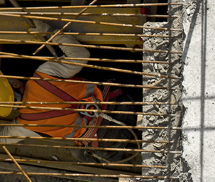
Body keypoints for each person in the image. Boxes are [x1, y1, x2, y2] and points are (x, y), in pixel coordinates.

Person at [0, 20, 136, 158]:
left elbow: (2, 138)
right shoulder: (42, 76)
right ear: (15, 85)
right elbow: (80, 55)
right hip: (123, 106)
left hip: (111, 139)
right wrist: (49, 32)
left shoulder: (25, 125)